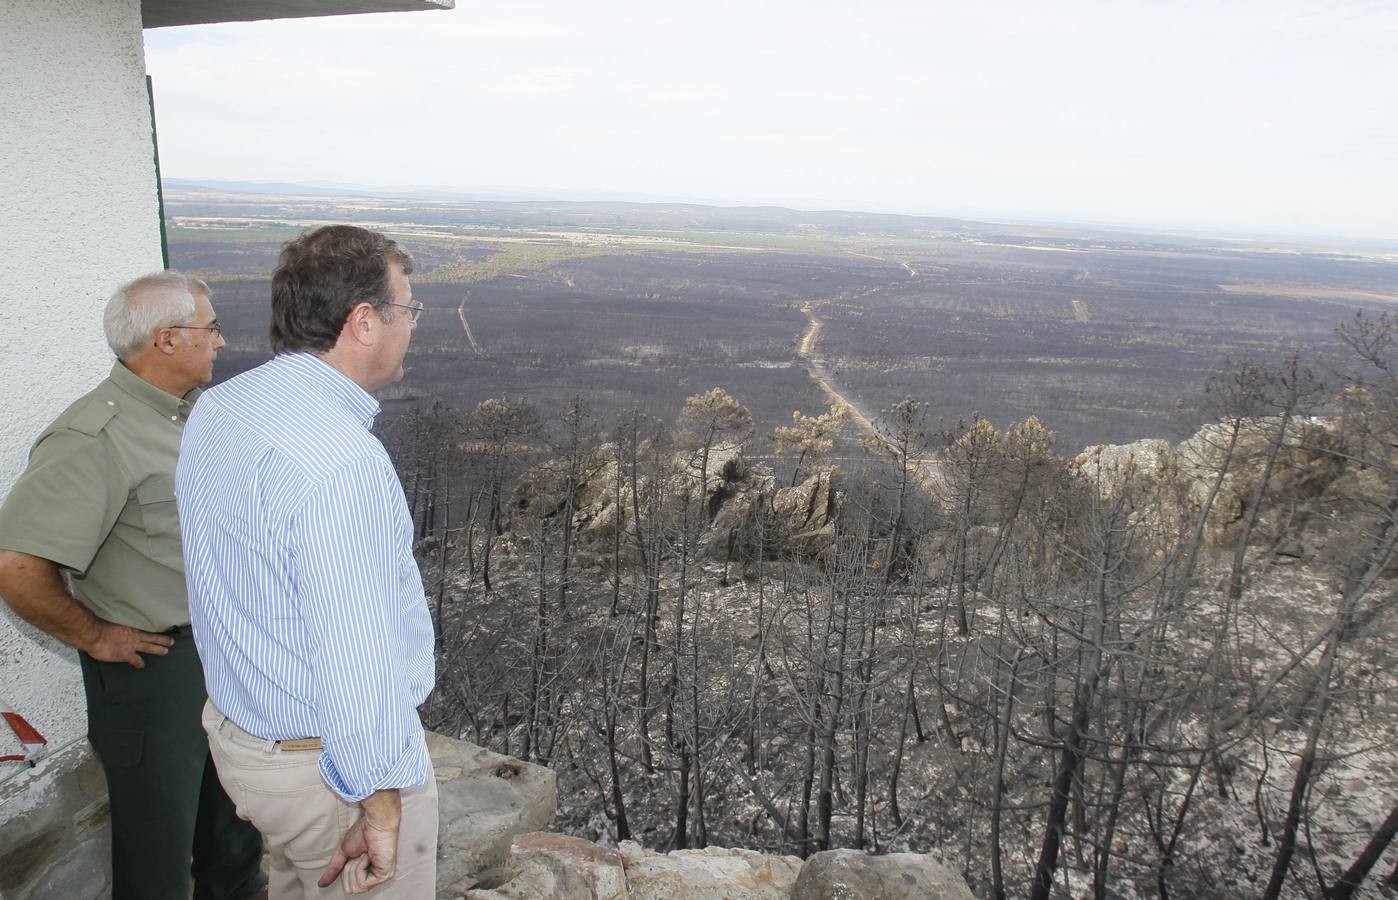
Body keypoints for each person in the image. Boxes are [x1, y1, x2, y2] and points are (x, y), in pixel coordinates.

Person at [177, 225, 437, 898]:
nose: (412, 324)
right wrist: (377, 802)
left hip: (247, 747)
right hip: (325, 773)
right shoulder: (339, 463)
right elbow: (357, 651)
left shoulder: (224, 406)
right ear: (363, 322)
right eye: (406, 309)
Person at [0, 273, 266, 900]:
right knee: (159, 851)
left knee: (234, 830)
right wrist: (92, 635)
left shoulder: (189, 415)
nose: (221, 342)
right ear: (167, 340)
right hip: (157, 674)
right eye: (211, 328)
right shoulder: (94, 437)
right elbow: (16, 566)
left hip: (220, 652)